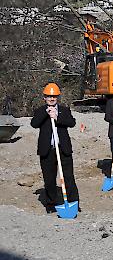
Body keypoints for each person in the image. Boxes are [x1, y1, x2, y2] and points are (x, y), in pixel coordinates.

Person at [31, 83, 79, 214]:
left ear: (57, 97)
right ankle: (51, 204)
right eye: (48, 96)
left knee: (68, 177)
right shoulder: (40, 111)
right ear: (44, 98)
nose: (51, 99)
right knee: (49, 179)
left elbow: (72, 122)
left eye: (54, 96)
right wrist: (46, 114)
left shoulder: (64, 110)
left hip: (63, 149)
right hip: (47, 150)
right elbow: (34, 124)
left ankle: (73, 202)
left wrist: (57, 117)